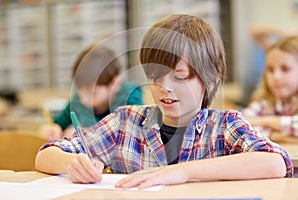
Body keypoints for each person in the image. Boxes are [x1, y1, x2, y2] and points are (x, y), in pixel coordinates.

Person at [35, 14, 293, 187]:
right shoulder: (126, 122)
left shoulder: (224, 125)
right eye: (155, 76)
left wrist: (183, 172)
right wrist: (73, 164)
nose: (164, 88)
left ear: (211, 80)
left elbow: (276, 162)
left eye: (180, 77)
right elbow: (46, 155)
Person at [39, 44, 144, 139]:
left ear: (114, 83)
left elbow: (133, 131)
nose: (83, 99)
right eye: (80, 90)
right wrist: (53, 129)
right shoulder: (78, 101)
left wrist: (87, 134)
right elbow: (58, 123)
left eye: (92, 93)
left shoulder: (130, 96)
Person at [242, 36, 298, 142]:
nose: (276, 76)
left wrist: (265, 121)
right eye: (270, 70)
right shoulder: (262, 104)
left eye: (285, 69)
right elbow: (241, 126)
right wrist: (274, 136)